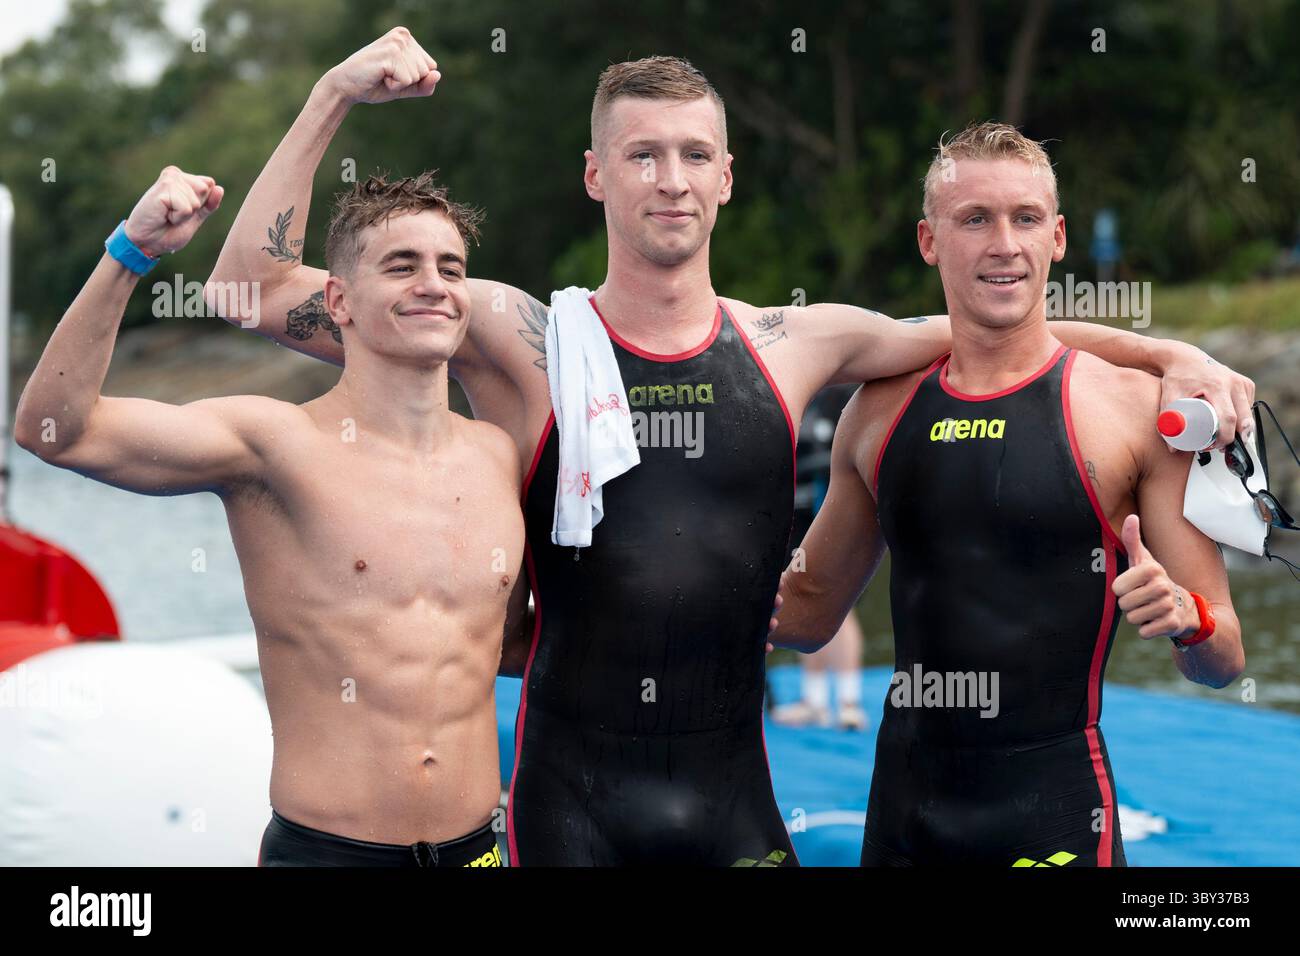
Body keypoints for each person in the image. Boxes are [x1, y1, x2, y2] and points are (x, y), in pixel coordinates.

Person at [205, 28, 1254, 865]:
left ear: (725, 177)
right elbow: (244, 286)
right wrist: (331, 96)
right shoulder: (516, 335)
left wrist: (1170, 356)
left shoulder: (798, 344)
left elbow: (998, 329)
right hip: (566, 801)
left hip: (734, 802)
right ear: (595, 176)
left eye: (693, 154)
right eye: (642, 155)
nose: (670, 177)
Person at [16, 166, 523, 867]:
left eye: (451, 268)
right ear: (337, 300)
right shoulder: (275, 444)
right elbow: (55, 431)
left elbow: (519, 643)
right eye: (402, 266)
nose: (433, 285)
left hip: (476, 851)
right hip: (327, 853)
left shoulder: (499, 457)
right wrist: (131, 251)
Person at [772, 123, 1246, 866]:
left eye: (1025, 219)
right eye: (974, 219)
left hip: (1056, 814)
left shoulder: (1131, 413)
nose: (1004, 243)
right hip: (904, 813)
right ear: (929, 241)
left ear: (1056, 237)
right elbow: (805, 615)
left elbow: (1224, 658)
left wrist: (1190, 619)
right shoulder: (878, 412)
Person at [772, 384, 868, 731]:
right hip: (789, 516)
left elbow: (844, 456)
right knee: (793, 596)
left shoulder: (843, 394)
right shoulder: (794, 386)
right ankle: (814, 700)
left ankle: (848, 701)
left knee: (840, 606)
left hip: (826, 512)